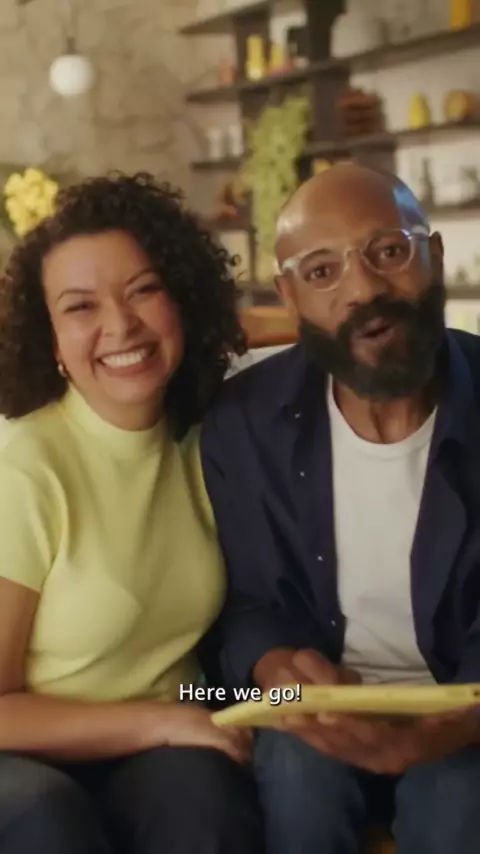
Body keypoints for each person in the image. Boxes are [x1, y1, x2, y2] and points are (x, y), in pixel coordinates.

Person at [200, 163, 480, 854]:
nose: (363, 289)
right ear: (290, 296)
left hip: (468, 710)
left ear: (433, 255)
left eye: (388, 251)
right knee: (298, 777)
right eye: (322, 271)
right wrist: (277, 670)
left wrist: (461, 720)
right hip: (318, 710)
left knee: (456, 800)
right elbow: (246, 600)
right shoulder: (243, 420)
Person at [0, 172, 263, 854]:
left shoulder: (212, 437)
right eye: (80, 307)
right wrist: (158, 723)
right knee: (44, 814)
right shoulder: (26, 468)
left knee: (204, 799)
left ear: (182, 297)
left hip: (183, 719)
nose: (120, 325)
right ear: (50, 339)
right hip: (26, 750)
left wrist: (287, 699)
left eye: (144, 290)